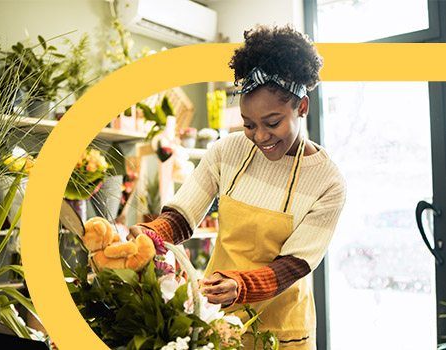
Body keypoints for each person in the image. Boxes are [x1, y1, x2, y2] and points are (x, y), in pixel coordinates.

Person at [129, 24, 346, 350]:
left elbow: (294, 265)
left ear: (302, 108)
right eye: (248, 125)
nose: (260, 137)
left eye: (272, 123)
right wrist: (151, 237)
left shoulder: (328, 182)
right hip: (218, 314)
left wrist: (240, 285)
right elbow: (183, 214)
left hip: (283, 326)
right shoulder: (227, 151)